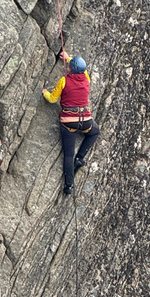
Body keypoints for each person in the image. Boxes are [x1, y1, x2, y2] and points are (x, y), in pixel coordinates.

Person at [42, 50, 100, 195]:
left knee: (68, 155)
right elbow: (82, 70)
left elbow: (52, 99)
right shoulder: (86, 79)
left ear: (71, 69)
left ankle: (69, 186)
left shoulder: (64, 81)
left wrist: (45, 93)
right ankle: (80, 157)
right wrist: (69, 58)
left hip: (68, 122)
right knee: (94, 132)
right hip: (85, 120)